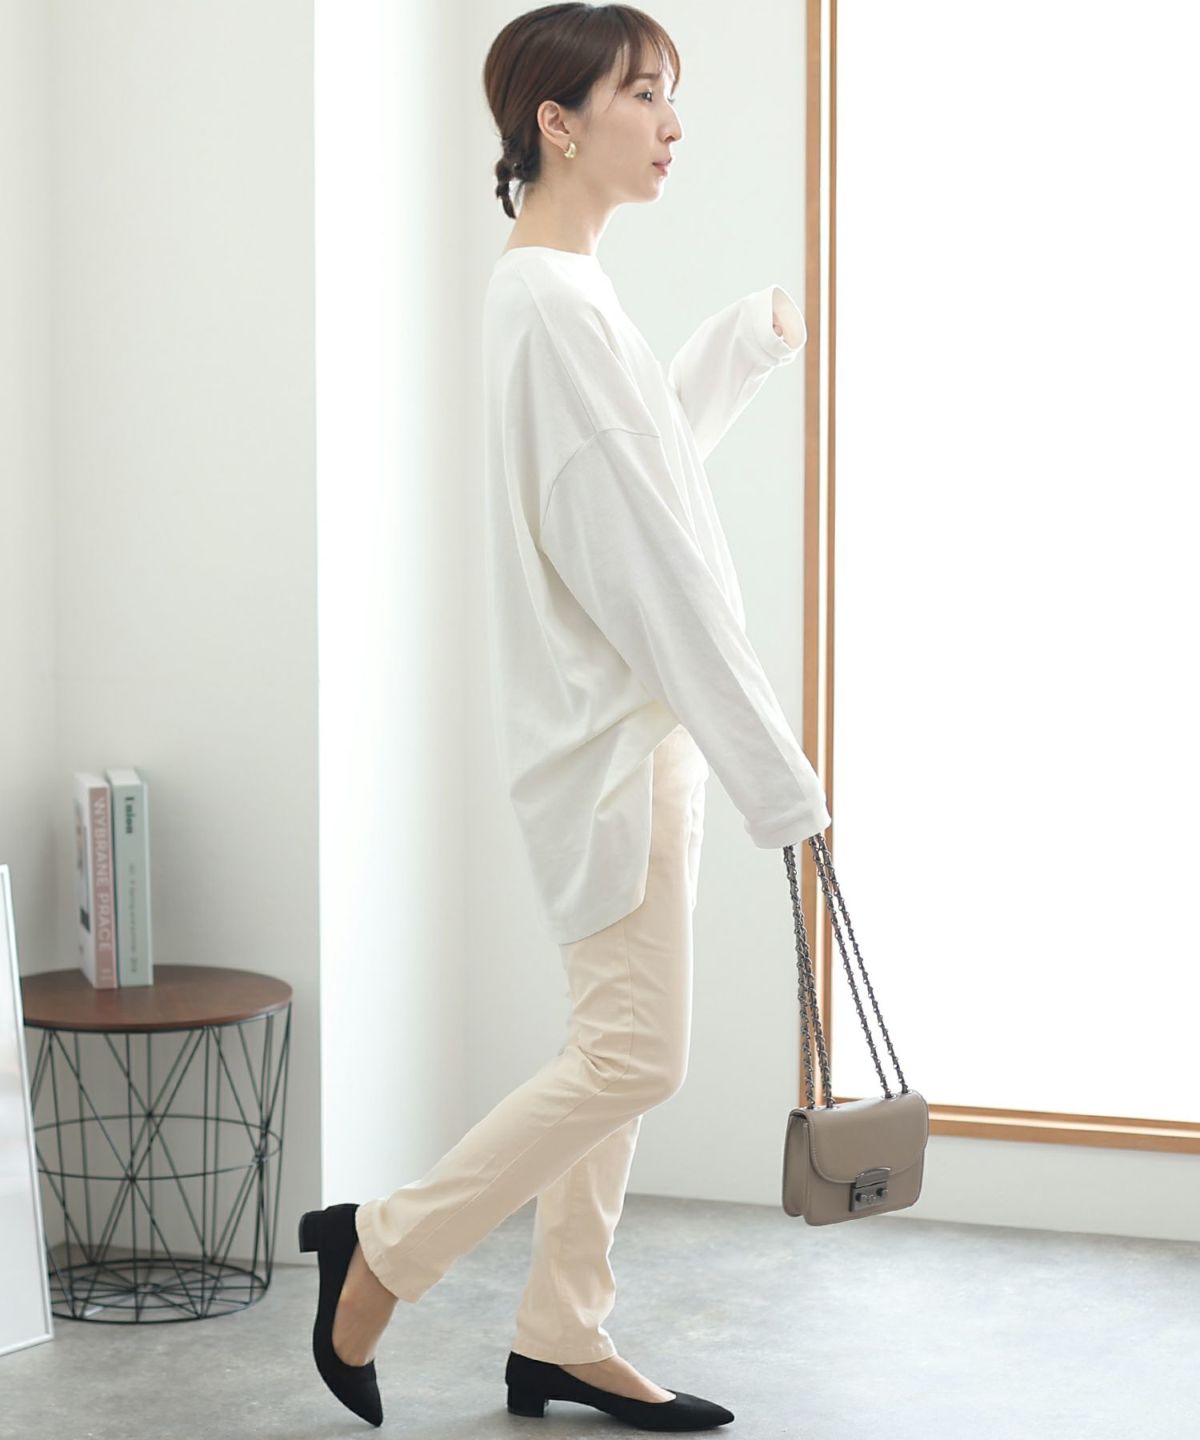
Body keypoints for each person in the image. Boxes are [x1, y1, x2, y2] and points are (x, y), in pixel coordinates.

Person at [301, 4, 830, 1430]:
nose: (672, 125)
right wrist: (782, 781)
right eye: (644, 94)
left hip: (631, 738)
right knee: (634, 1053)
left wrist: (733, 350)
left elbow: (632, 485)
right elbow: (648, 562)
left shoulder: (558, 292)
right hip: (616, 747)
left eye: (671, 96)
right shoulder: (551, 305)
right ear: (557, 120)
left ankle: (561, 1331)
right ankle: (383, 1248)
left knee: (616, 1045)